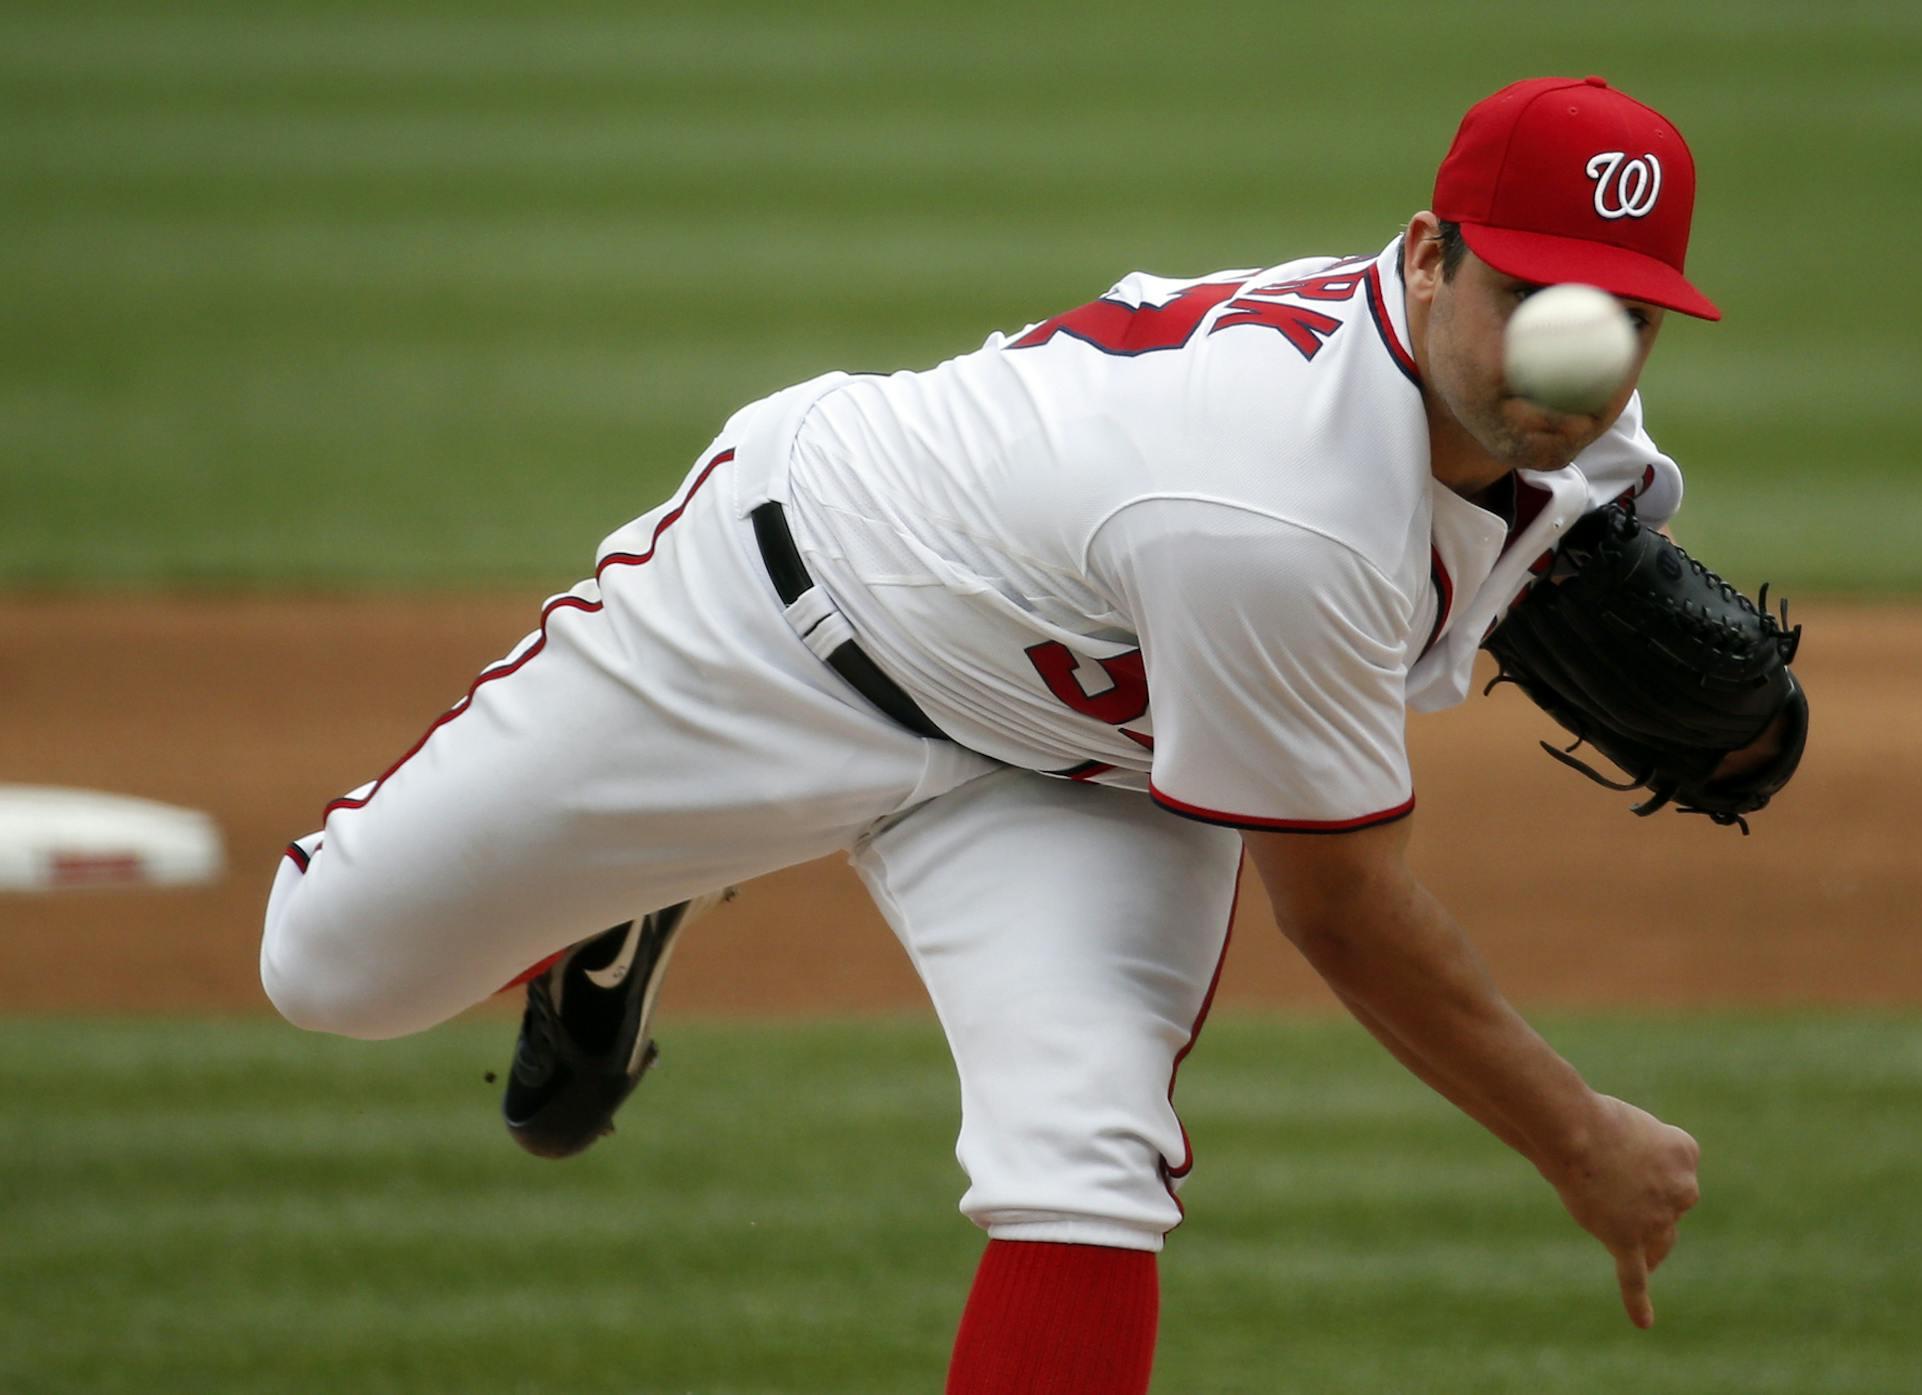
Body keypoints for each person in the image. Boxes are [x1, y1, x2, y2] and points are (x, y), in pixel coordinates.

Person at [262, 75, 1716, 1393]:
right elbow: (1342, 913)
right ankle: (621, 889)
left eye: (1619, 319)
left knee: (1088, 1160)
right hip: (780, 621)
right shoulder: (1277, 507)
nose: (1570, 359)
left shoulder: (1574, 433)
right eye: (1532, 295)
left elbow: (1583, 515)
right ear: (1425, 254)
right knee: (330, 970)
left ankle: (629, 885)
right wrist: (1579, 1140)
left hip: (1067, 775)